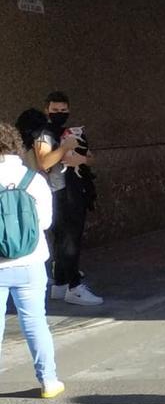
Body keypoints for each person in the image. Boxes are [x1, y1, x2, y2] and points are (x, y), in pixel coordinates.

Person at [0, 122, 64, 398]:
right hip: (31, 262)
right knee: (36, 323)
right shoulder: (34, 179)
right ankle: (48, 381)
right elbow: (46, 223)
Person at [34, 91, 103, 306]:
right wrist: (65, 148)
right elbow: (44, 163)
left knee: (68, 239)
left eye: (63, 110)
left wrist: (80, 158)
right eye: (55, 110)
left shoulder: (70, 132)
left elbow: (90, 159)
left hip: (75, 189)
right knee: (68, 241)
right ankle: (74, 286)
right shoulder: (44, 134)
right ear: (47, 110)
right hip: (57, 192)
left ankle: (61, 284)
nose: (60, 114)